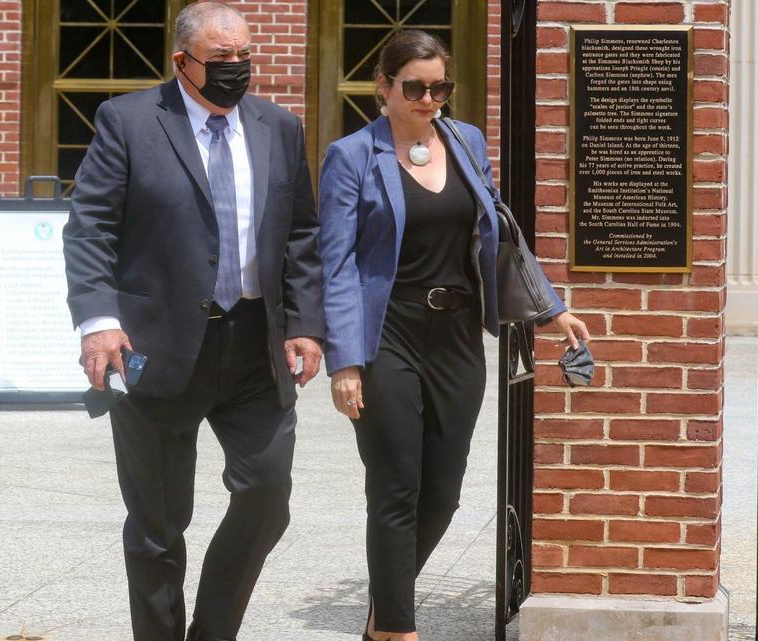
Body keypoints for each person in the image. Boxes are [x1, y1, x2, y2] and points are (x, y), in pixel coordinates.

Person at [62, 3, 324, 640]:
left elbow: (302, 235)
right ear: (182, 61)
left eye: (244, 56)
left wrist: (306, 322)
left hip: (253, 346)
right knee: (157, 524)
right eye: (220, 58)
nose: (236, 68)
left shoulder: (279, 127)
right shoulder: (128, 121)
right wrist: (98, 320)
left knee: (266, 498)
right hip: (155, 347)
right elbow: (90, 227)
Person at [316, 30, 590, 641]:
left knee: (443, 490)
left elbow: (501, 236)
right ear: (382, 87)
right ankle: (398, 630)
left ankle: (383, 613)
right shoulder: (352, 155)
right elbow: (334, 264)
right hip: (388, 331)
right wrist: (345, 362)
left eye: (441, 86)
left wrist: (550, 309)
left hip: (459, 333)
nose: (430, 98)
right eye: (415, 87)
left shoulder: (465, 142)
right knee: (396, 485)